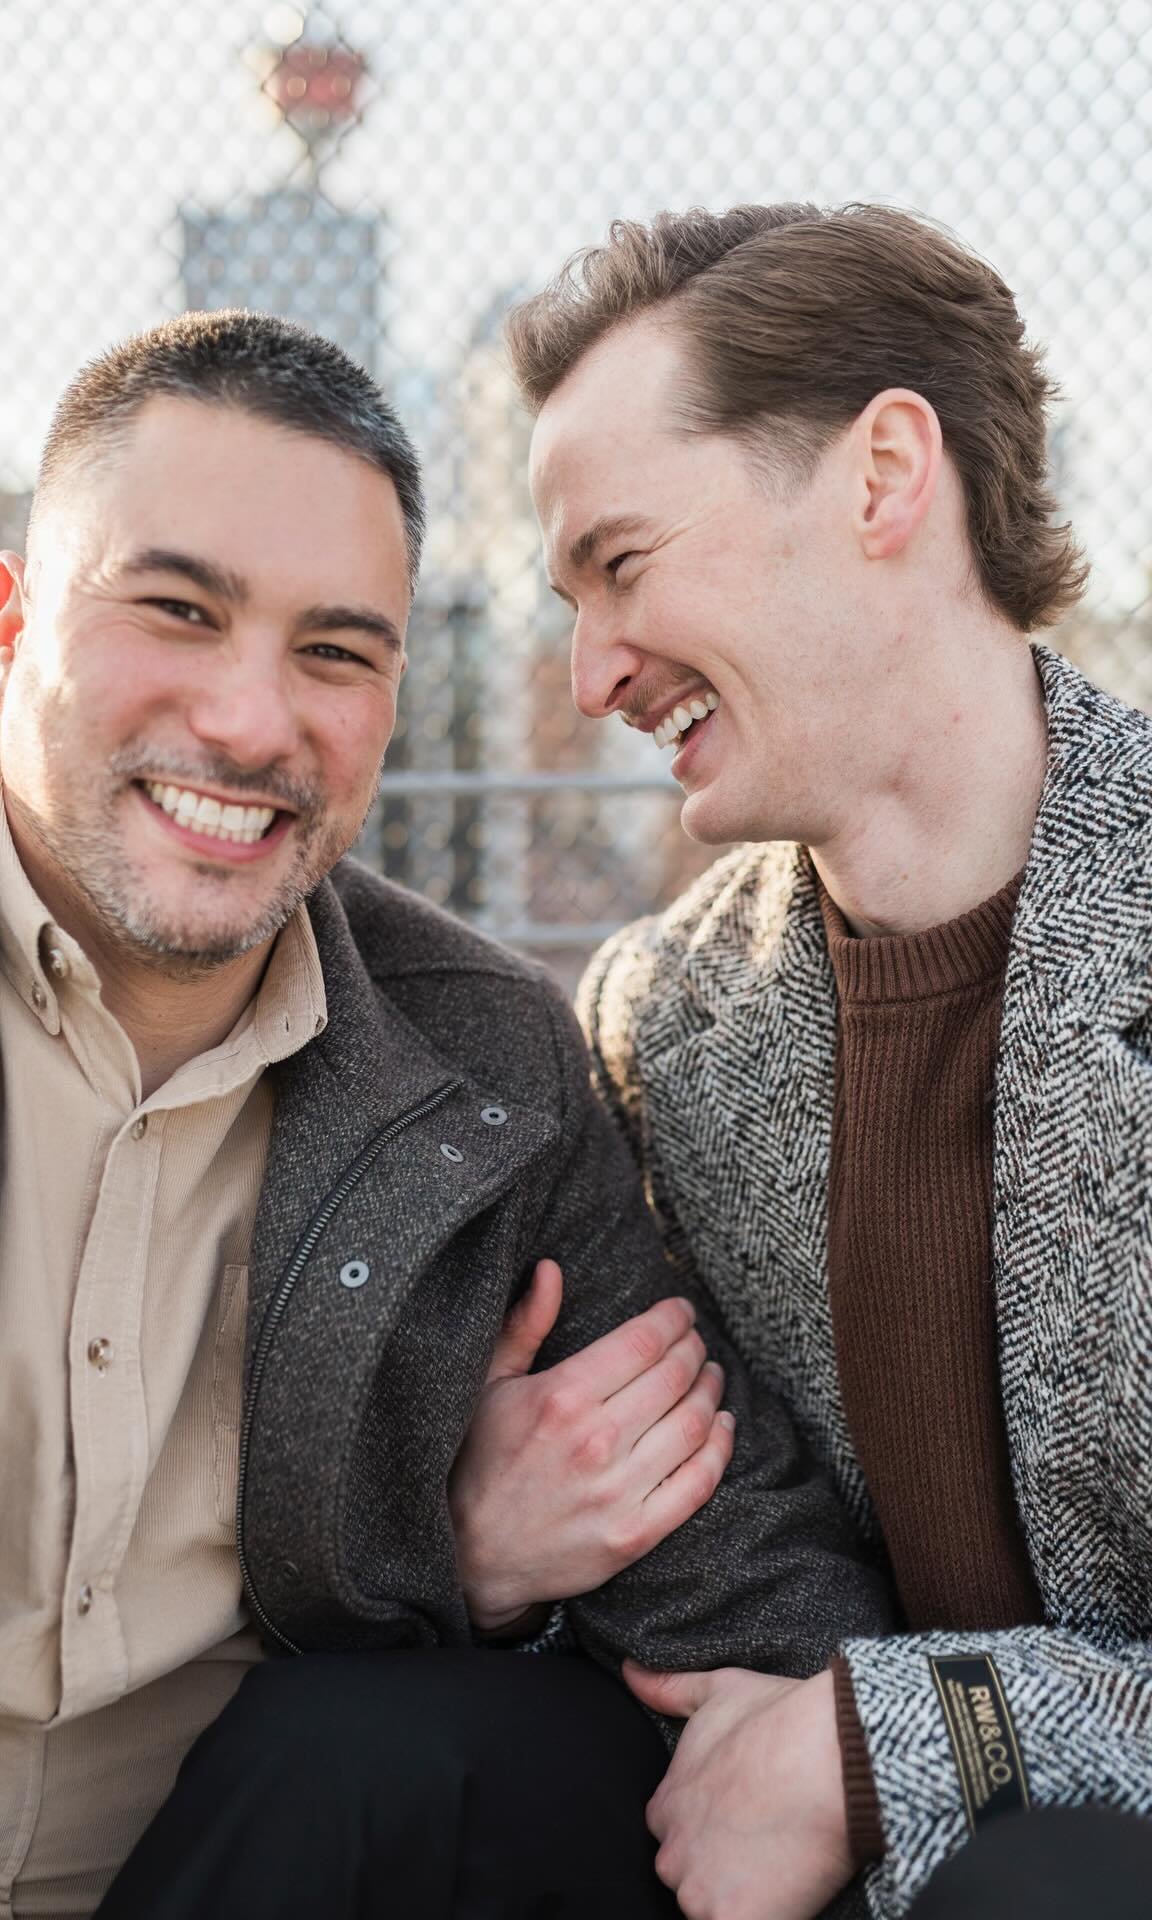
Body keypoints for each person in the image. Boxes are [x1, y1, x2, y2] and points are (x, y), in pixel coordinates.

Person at [0, 310, 888, 1919]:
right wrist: (427, 1544)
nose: (255, 725)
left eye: (335, 652)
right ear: (12, 624)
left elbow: (745, 1576)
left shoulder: (484, 1060)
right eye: (178, 611)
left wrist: (865, 1749)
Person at [506, 201, 1152, 1919]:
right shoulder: (659, 1015)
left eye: (623, 566)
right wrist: (490, 1536)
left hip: (1071, 1851)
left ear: (881, 478)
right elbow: (699, 1540)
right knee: (352, 1759)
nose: (590, 677)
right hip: (785, 1804)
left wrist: (903, 1744)